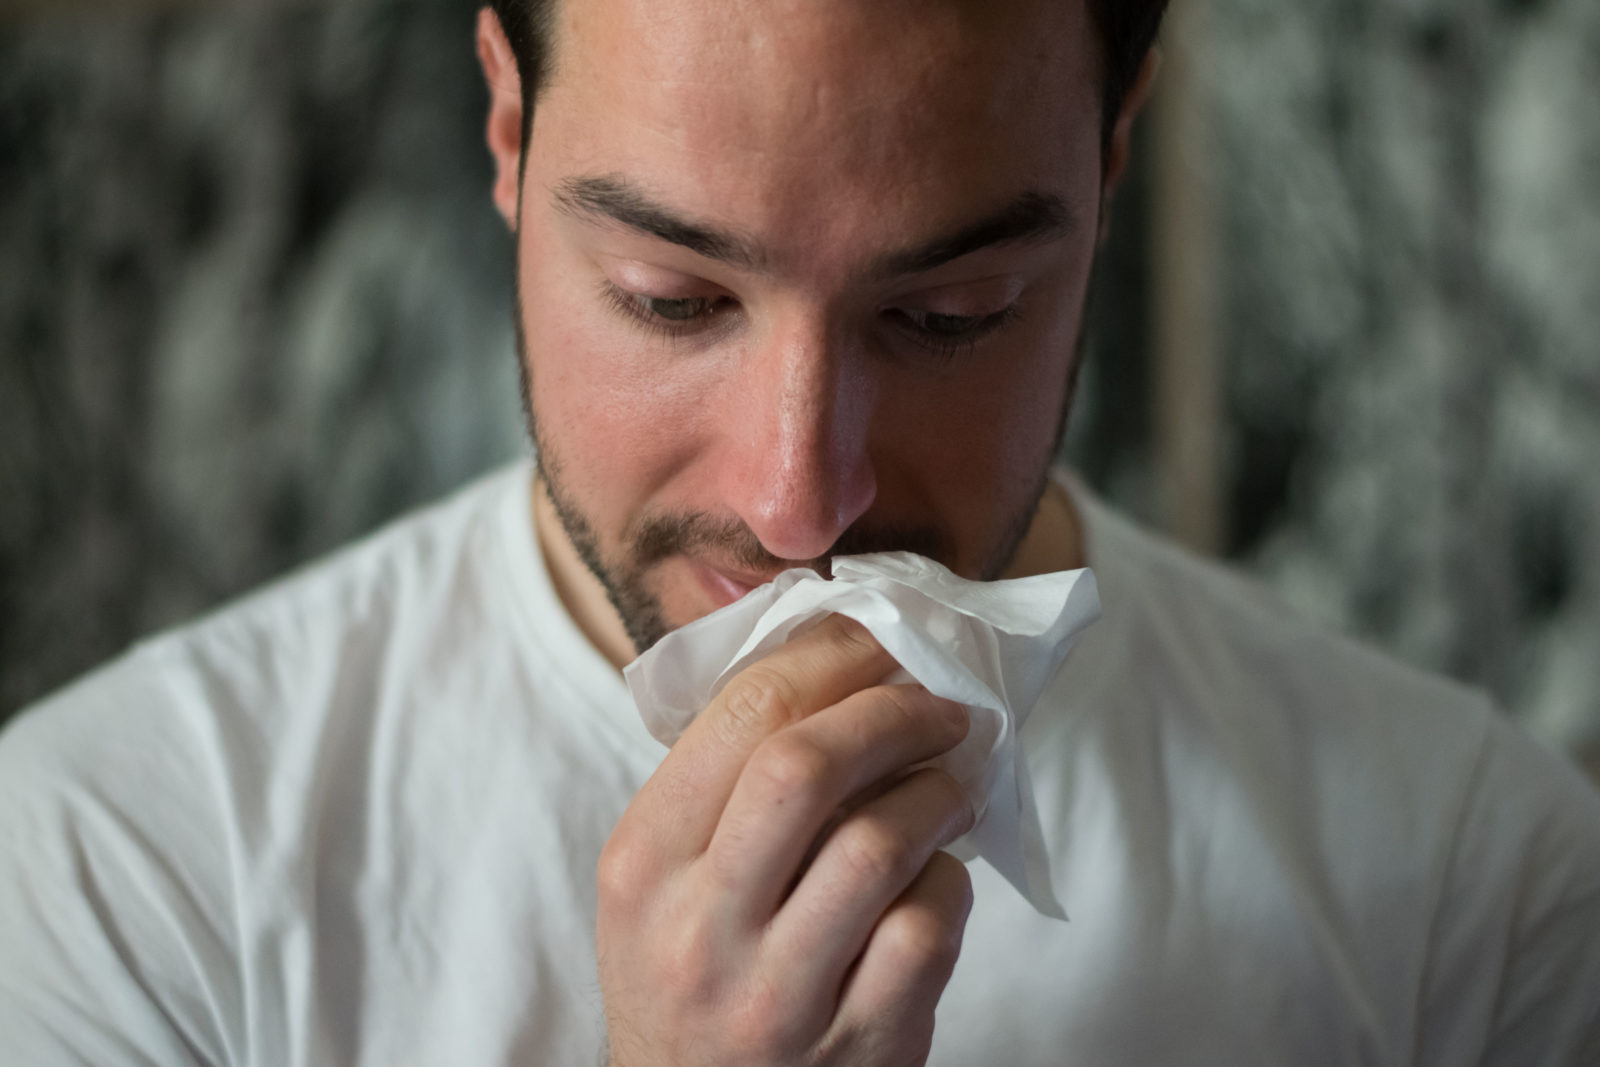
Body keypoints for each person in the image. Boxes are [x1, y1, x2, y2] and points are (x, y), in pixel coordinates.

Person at [3, 0, 1598, 1063]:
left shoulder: (1473, 892)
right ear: (506, 126)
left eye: (950, 313)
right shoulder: (121, 876)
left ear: (1109, 162)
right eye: (673, 300)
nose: (799, 500)